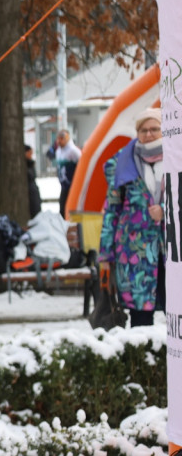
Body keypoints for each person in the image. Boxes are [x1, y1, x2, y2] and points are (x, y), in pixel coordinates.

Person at [98, 108, 166, 328]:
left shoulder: (176, 159)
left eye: (155, 129)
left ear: (164, 131)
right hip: (134, 253)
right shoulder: (121, 164)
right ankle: (140, 360)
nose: (149, 134)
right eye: (143, 130)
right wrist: (105, 256)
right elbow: (111, 211)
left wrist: (164, 209)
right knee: (140, 317)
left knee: (175, 313)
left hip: (170, 251)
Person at [47, 129, 81, 218]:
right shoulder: (58, 151)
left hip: (73, 185)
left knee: (72, 207)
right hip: (64, 185)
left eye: (62, 139)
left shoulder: (73, 151)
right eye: (58, 139)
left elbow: (81, 165)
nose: (59, 141)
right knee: (62, 207)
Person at [25, 144, 42, 219]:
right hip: (31, 190)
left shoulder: (30, 164)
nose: (31, 155)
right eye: (30, 153)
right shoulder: (27, 165)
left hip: (33, 189)